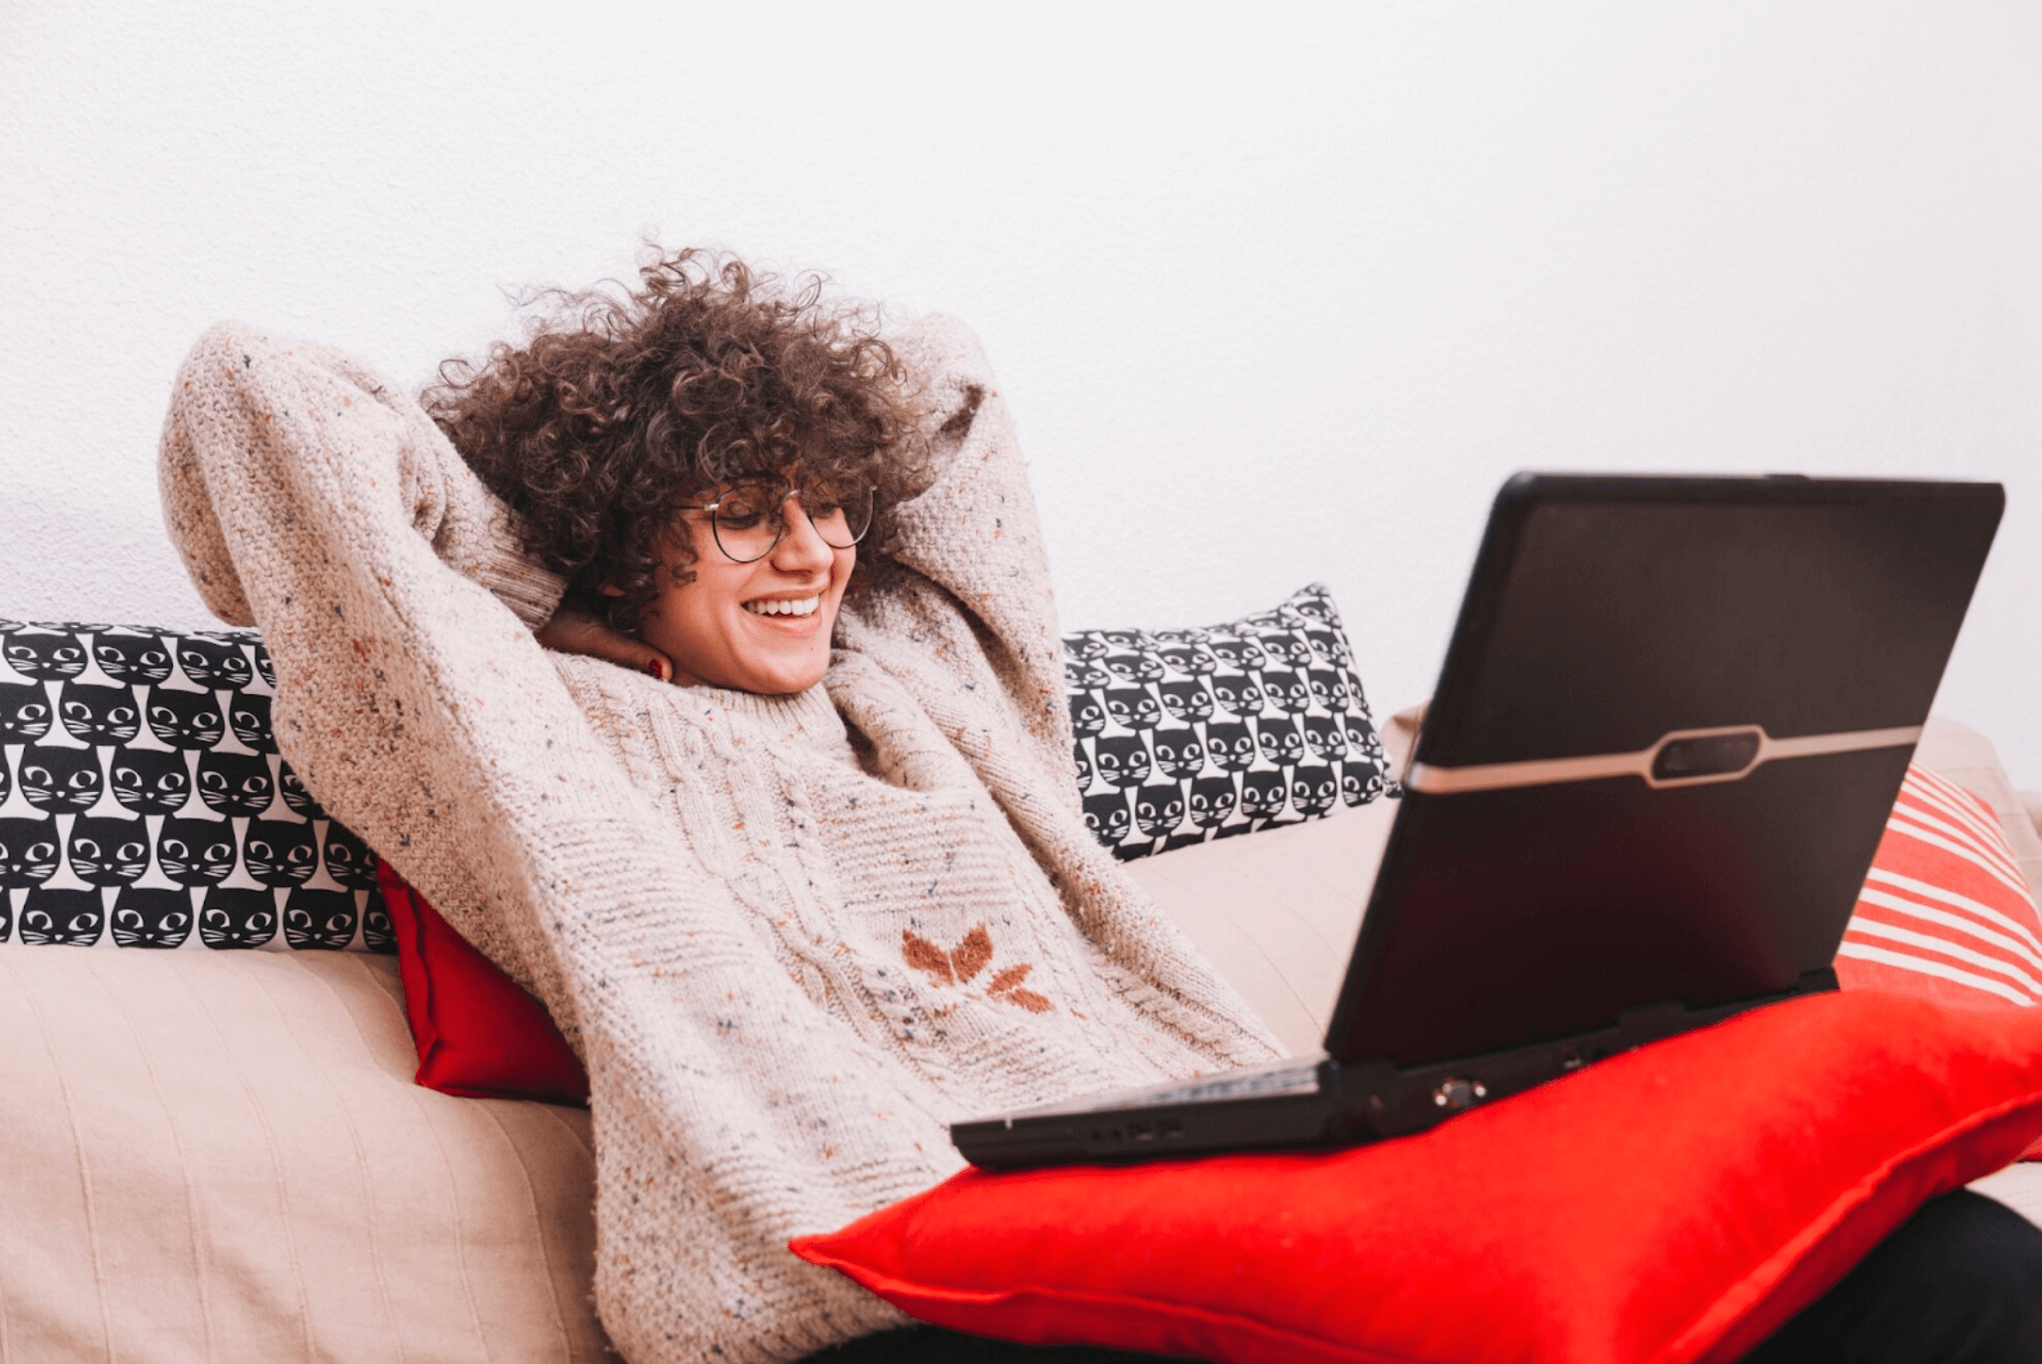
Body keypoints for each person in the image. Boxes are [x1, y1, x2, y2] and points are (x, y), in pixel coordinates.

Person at [160, 249, 2042, 1364]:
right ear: (601, 537)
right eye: (745, 515)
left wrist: (754, 470)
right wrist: (562, 547)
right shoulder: (521, 734)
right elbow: (259, 399)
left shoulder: (924, 679)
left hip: (1199, 1197)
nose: (812, 553)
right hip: (867, 1276)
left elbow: (951, 387)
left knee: (1947, 1270)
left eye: (828, 505)